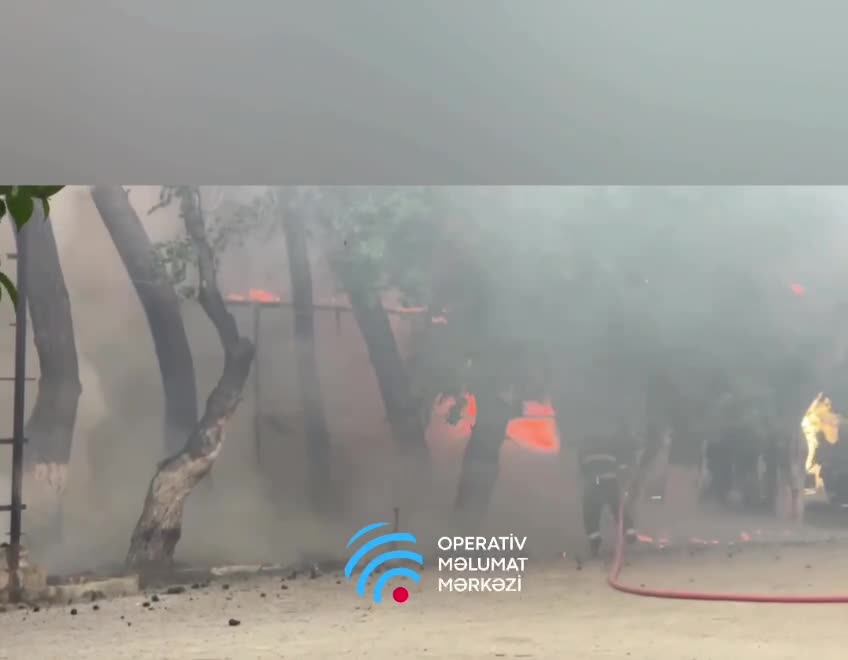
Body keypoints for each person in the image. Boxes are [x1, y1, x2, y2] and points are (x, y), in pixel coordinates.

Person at [578, 425, 638, 557]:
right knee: (618, 508)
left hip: (595, 484)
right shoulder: (611, 450)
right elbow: (620, 467)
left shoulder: (585, 451)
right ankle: (629, 531)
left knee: (590, 512)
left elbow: (583, 471)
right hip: (611, 482)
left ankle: (594, 540)